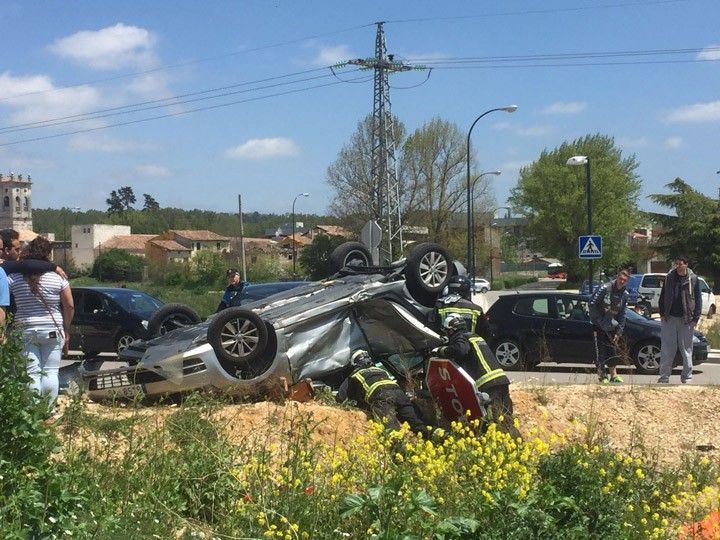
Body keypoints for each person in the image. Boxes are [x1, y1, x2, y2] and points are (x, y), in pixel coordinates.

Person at [7, 237, 74, 412]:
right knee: (51, 371)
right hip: (52, 328)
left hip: (25, 328)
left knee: (32, 372)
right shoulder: (58, 277)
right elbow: (69, 305)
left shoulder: (14, 277)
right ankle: (49, 411)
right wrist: (66, 329)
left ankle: (33, 412)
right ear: (48, 255)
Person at [434, 313, 519, 438]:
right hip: (500, 379)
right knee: (506, 416)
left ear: (451, 330)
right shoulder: (475, 336)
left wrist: (441, 351)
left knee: (495, 417)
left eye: (447, 331)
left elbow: (460, 350)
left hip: (487, 383)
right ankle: (516, 445)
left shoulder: (460, 337)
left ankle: (501, 444)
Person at [336, 349, 428, 434]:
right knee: (417, 424)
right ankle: (435, 436)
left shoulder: (355, 375)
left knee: (391, 429)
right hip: (400, 394)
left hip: (382, 396)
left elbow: (341, 396)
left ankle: (399, 447)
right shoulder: (380, 370)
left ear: (355, 364)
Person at [657, 255, 702, 384]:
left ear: (686, 264)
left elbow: (698, 299)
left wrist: (696, 318)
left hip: (686, 319)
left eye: (680, 264)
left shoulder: (693, 279)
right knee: (667, 348)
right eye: (676, 264)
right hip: (669, 318)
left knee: (687, 349)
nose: (678, 266)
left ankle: (687, 377)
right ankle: (664, 377)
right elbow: (663, 296)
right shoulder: (669, 278)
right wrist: (662, 313)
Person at [589, 269, 630, 384]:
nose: (622, 282)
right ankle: (602, 376)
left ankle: (614, 376)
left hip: (612, 327)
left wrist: (619, 331)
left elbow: (623, 314)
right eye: (620, 279)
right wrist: (599, 320)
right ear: (617, 278)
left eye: (624, 280)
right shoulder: (604, 288)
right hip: (598, 326)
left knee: (612, 352)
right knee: (600, 352)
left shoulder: (625, 295)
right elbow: (592, 304)